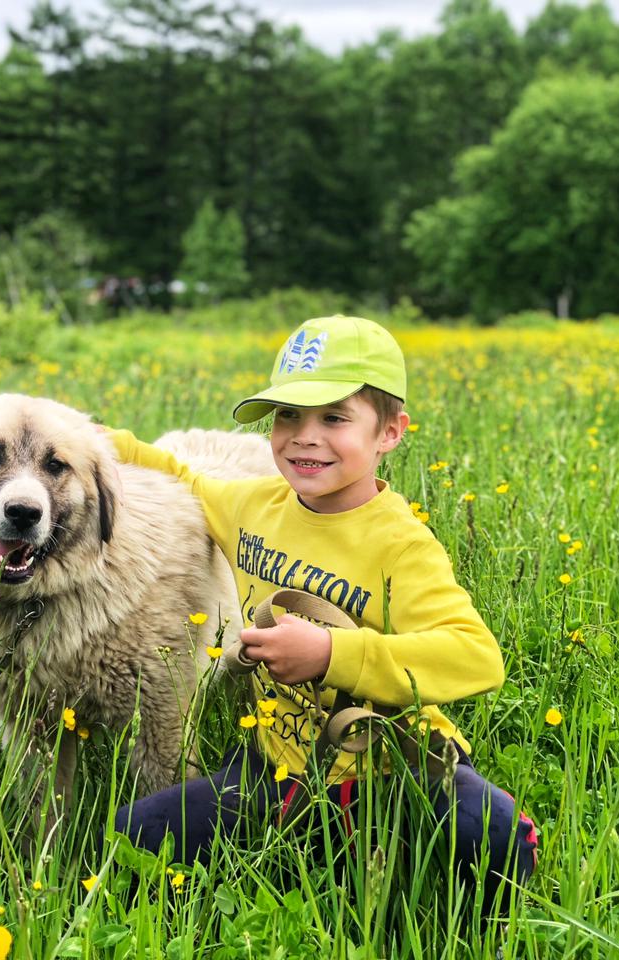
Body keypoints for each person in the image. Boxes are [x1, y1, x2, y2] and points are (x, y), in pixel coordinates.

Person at [106, 315, 537, 912]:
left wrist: (333, 654)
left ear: (390, 432)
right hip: (276, 766)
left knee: (488, 830)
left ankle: (462, 928)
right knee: (136, 837)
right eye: (288, 416)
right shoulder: (252, 505)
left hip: (394, 771)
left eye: (334, 418)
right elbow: (177, 474)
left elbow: (476, 656)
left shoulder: (400, 545)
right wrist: (85, 438)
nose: (304, 436)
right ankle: (295, 861)